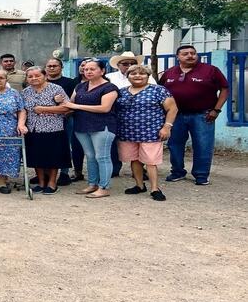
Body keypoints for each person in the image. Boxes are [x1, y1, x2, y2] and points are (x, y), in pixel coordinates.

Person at [162, 45, 229, 186]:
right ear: (178, 57)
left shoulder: (210, 70)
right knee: (174, 144)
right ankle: (177, 171)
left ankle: (201, 175)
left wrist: (216, 110)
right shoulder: (169, 73)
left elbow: (225, 89)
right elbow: (161, 92)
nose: (190, 56)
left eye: (193, 53)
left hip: (203, 114)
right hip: (176, 115)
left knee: (203, 145)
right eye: (185, 53)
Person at [117, 64, 178, 201]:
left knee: (151, 161)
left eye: (142, 73)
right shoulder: (122, 92)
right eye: (133, 74)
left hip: (151, 132)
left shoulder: (158, 90)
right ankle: (139, 185)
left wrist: (167, 126)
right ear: (128, 76)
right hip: (127, 132)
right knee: (134, 159)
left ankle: (155, 188)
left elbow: (172, 109)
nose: (137, 76)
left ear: (148, 76)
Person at [63, 59, 119, 199]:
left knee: (102, 156)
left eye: (92, 69)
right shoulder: (80, 86)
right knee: (90, 156)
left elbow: (104, 108)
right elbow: (70, 103)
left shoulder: (109, 88)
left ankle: (104, 187)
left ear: (102, 71)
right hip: (82, 126)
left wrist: (77, 107)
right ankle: (92, 184)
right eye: (86, 69)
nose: (88, 71)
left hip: (102, 126)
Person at [21, 66, 71, 194]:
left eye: (37, 75)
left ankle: (52, 183)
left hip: (53, 128)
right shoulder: (26, 92)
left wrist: (44, 109)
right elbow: (23, 110)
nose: (34, 78)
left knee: (53, 157)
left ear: (45, 76)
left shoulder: (56, 89)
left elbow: (67, 107)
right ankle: (41, 182)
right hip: (33, 129)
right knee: (36, 157)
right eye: (30, 76)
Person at [44, 58, 79, 185]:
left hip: (66, 119)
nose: (52, 68)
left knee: (65, 146)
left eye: (55, 66)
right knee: (46, 147)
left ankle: (64, 173)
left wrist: (66, 113)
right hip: (44, 121)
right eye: (49, 66)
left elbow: (74, 102)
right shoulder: (41, 82)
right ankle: (44, 174)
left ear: (61, 67)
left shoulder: (70, 83)